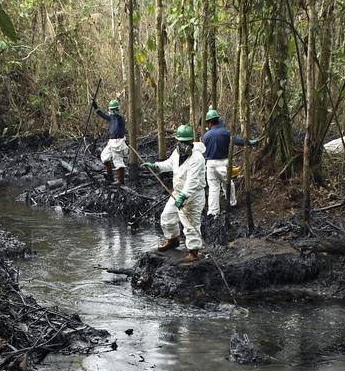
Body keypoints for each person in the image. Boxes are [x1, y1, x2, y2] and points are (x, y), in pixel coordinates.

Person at [143, 125, 206, 263]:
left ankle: (193, 252)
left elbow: (192, 182)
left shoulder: (197, 158)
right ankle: (173, 240)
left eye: (186, 143)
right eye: (180, 142)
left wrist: (184, 196)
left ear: (191, 142)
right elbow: (169, 164)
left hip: (193, 196)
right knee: (166, 217)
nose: (183, 146)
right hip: (177, 193)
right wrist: (155, 166)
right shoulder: (177, 154)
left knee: (190, 224)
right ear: (177, 142)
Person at [200, 108, 257, 217]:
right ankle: (232, 203)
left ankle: (213, 211)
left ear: (210, 122)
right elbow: (238, 140)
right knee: (228, 184)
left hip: (210, 164)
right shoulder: (226, 133)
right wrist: (250, 142)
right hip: (224, 163)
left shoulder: (205, 136)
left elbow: (203, 150)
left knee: (213, 188)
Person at [91, 98, 128, 184]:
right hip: (111, 142)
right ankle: (110, 177)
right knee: (104, 156)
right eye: (111, 109)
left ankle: (120, 180)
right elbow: (102, 114)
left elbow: (118, 117)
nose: (111, 111)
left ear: (117, 109)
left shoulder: (120, 118)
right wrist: (95, 106)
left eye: (113, 109)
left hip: (118, 142)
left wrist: (115, 113)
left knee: (118, 161)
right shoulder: (111, 118)